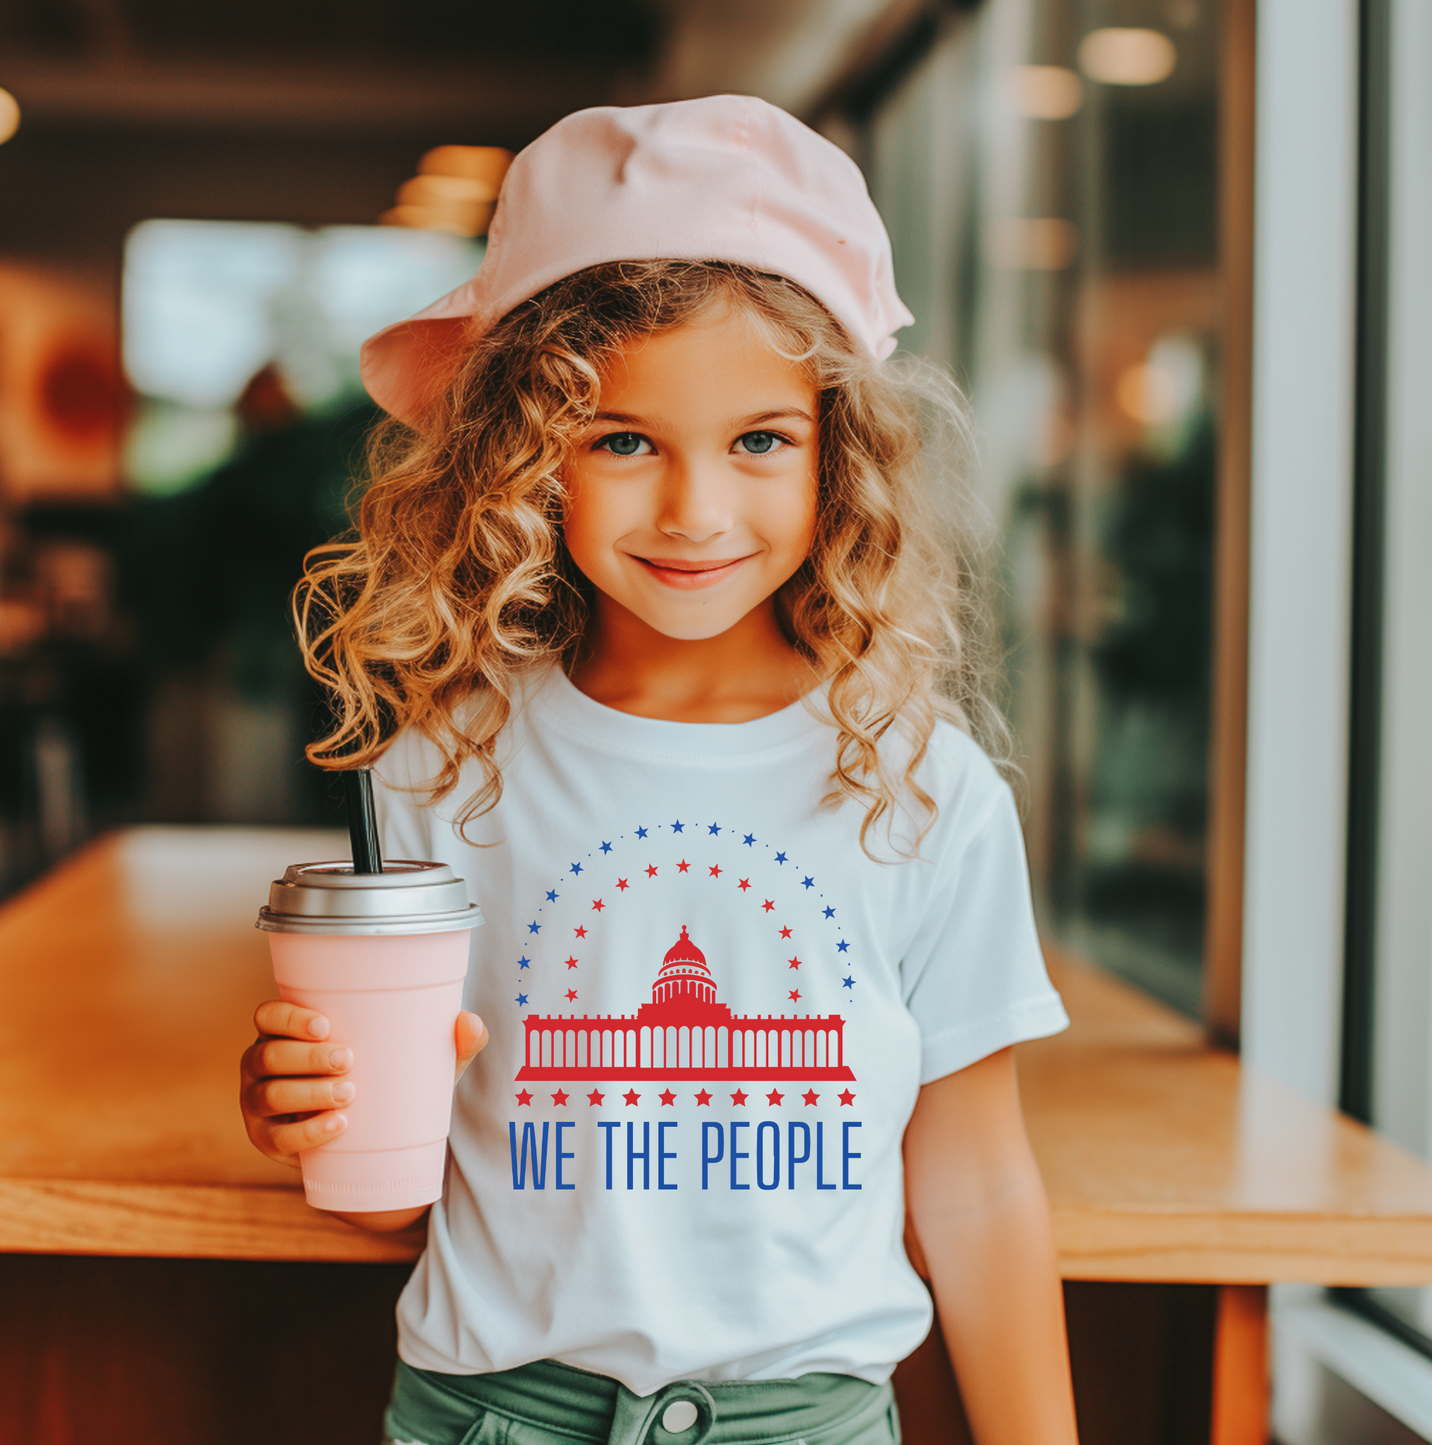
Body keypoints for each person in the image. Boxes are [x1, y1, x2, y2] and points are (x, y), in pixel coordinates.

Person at [239, 96, 1078, 1445]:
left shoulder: (925, 788)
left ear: (837, 457)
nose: (694, 509)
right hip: (485, 1413)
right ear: (526, 460)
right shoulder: (438, 767)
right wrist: (311, 1110)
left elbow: (975, 1186)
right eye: (622, 439)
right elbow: (390, 1195)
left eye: (760, 439)